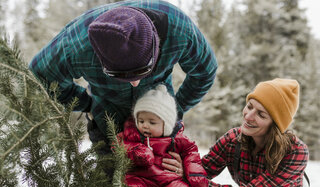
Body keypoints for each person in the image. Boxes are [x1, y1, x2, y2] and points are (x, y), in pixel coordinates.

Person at [28, 0, 217, 174]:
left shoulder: (178, 28)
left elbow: (205, 71)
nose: (135, 82)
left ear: (155, 45)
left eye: (143, 70)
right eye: (119, 75)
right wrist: (86, 104)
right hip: (107, 120)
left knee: (169, 185)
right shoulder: (76, 43)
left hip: (160, 122)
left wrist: (175, 109)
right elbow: (40, 75)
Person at [200, 78, 312, 187]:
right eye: (250, 106)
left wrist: (200, 184)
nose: (248, 116)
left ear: (275, 123)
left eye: (261, 114)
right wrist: (184, 167)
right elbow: (202, 170)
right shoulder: (232, 140)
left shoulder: (295, 151)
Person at [112, 85, 209, 187]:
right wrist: (137, 152)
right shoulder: (133, 134)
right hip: (140, 178)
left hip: (168, 179)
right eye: (141, 120)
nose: (145, 125)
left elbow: (191, 152)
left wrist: (195, 173)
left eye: (152, 122)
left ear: (167, 124)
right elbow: (120, 145)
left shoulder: (176, 139)